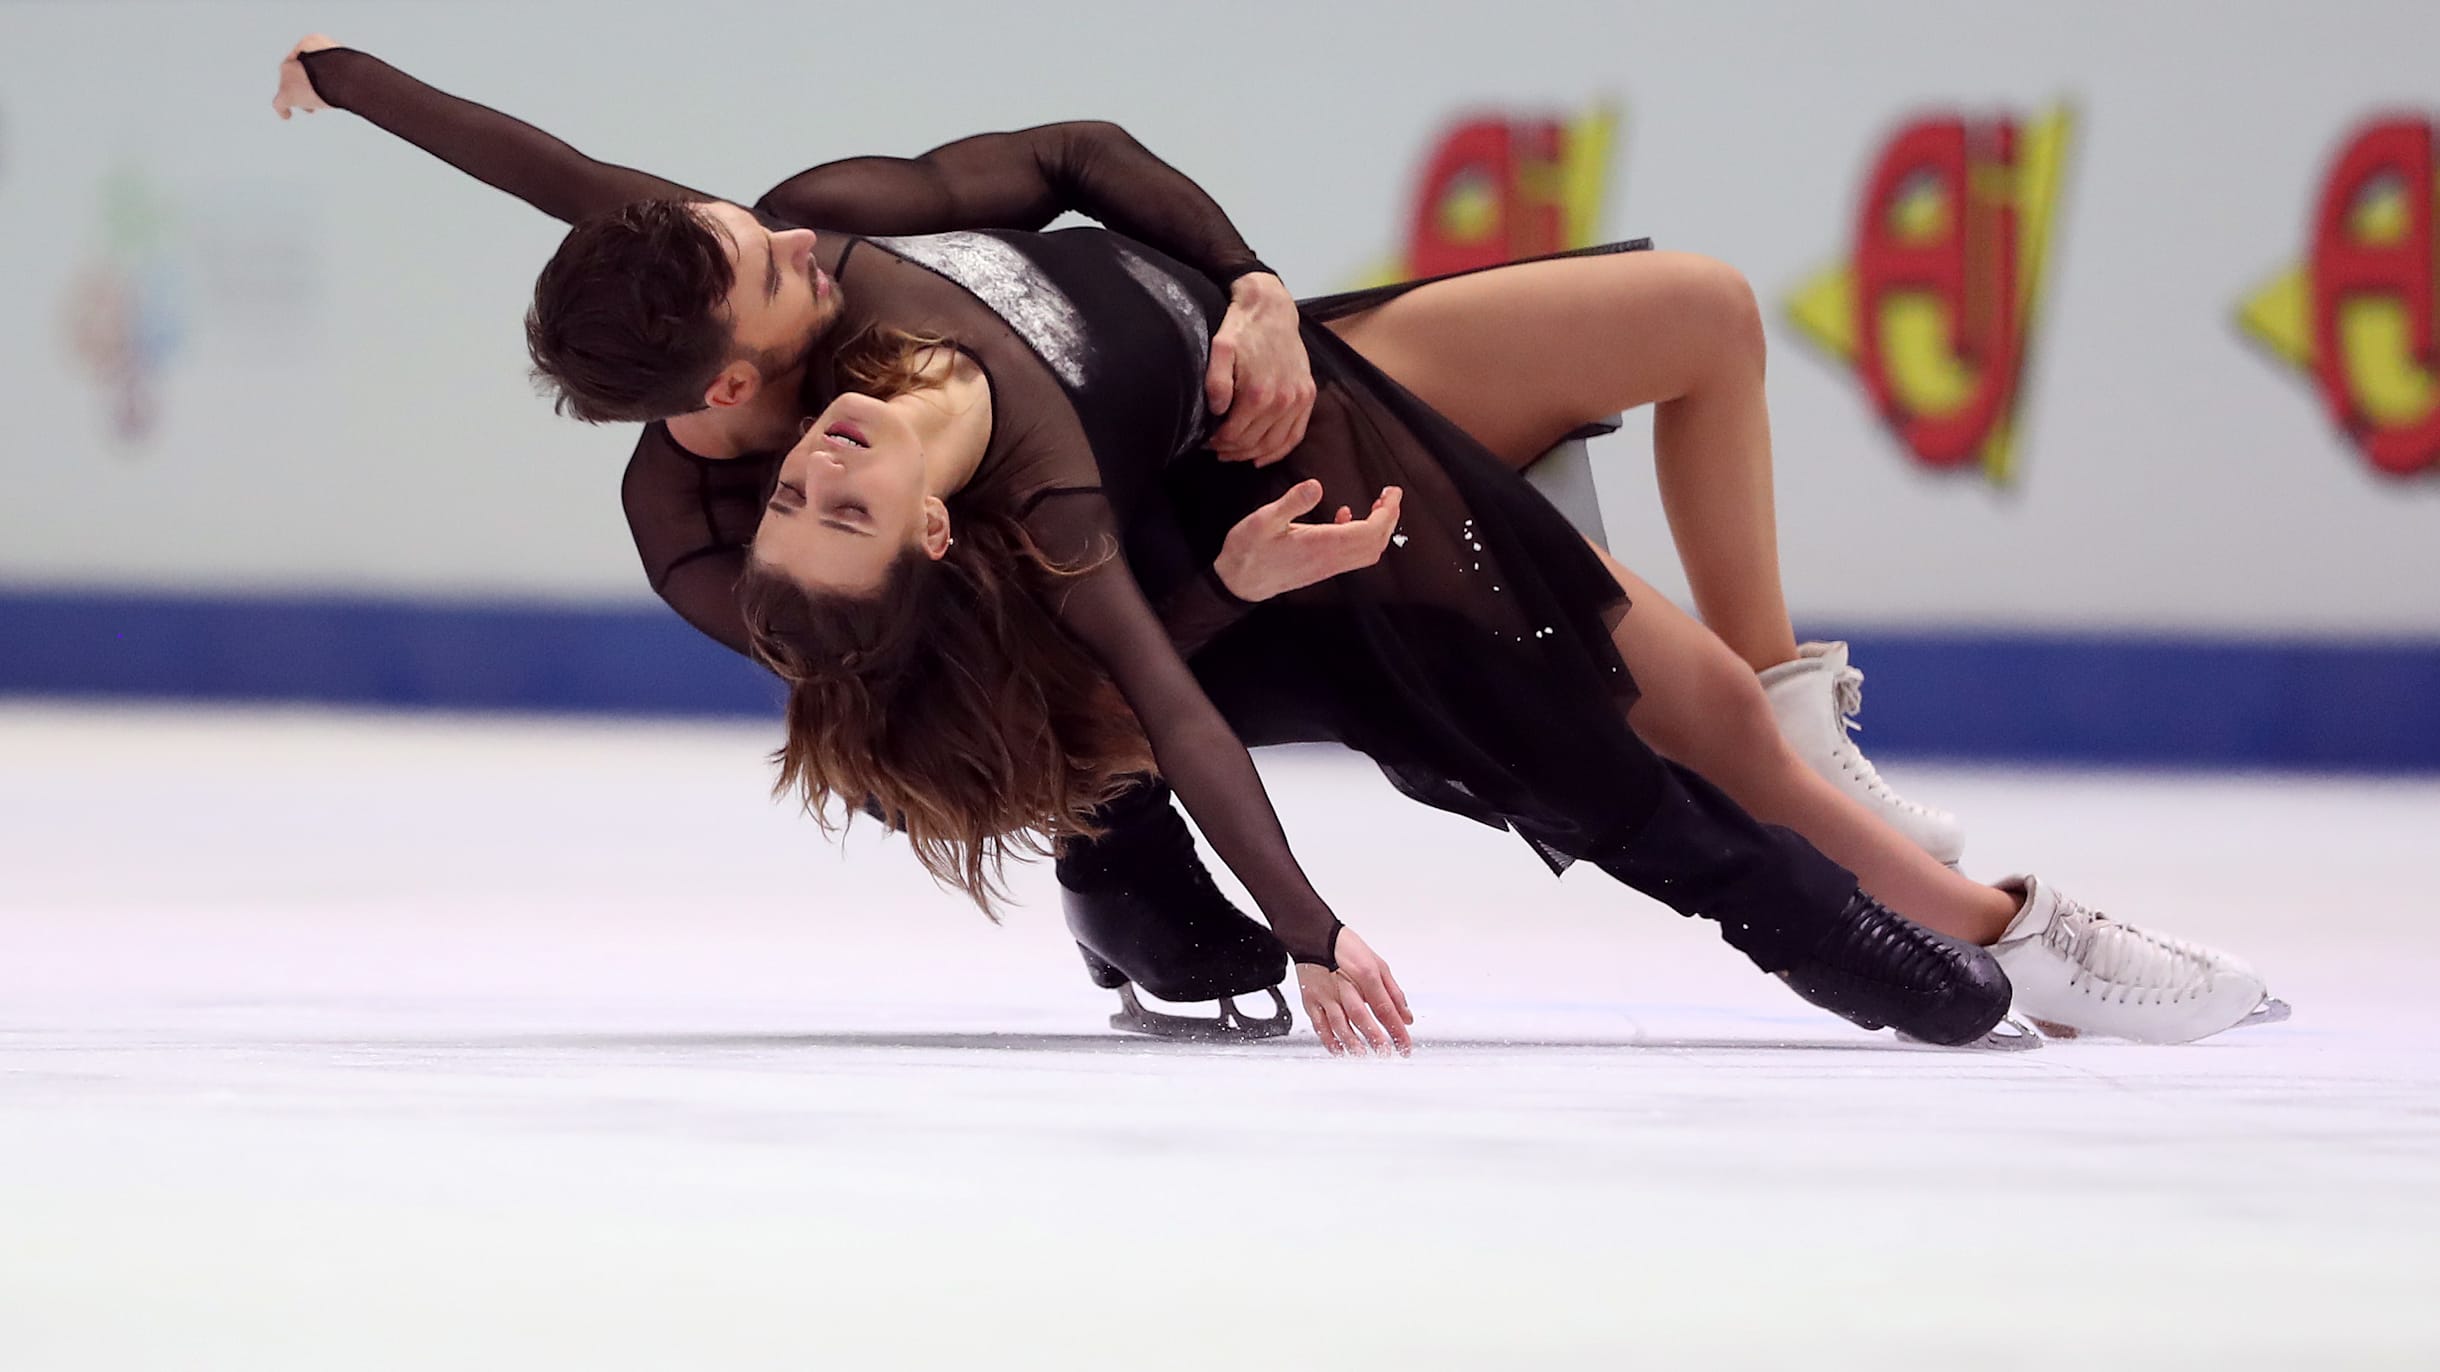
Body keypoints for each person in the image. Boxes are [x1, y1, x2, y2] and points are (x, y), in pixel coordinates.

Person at [273, 39, 2279, 1049]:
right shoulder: (814, 513)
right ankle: (1970, 920)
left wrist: (1238, 285)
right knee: (1605, 721)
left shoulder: (807, 266)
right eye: (820, 475)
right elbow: (1038, 696)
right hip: (1181, 591)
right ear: (725, 401)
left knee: (1699, 320)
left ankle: (1793, 729)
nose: (779, 231)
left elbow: (1049, 162)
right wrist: (1293, 873)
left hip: (1274, 384)